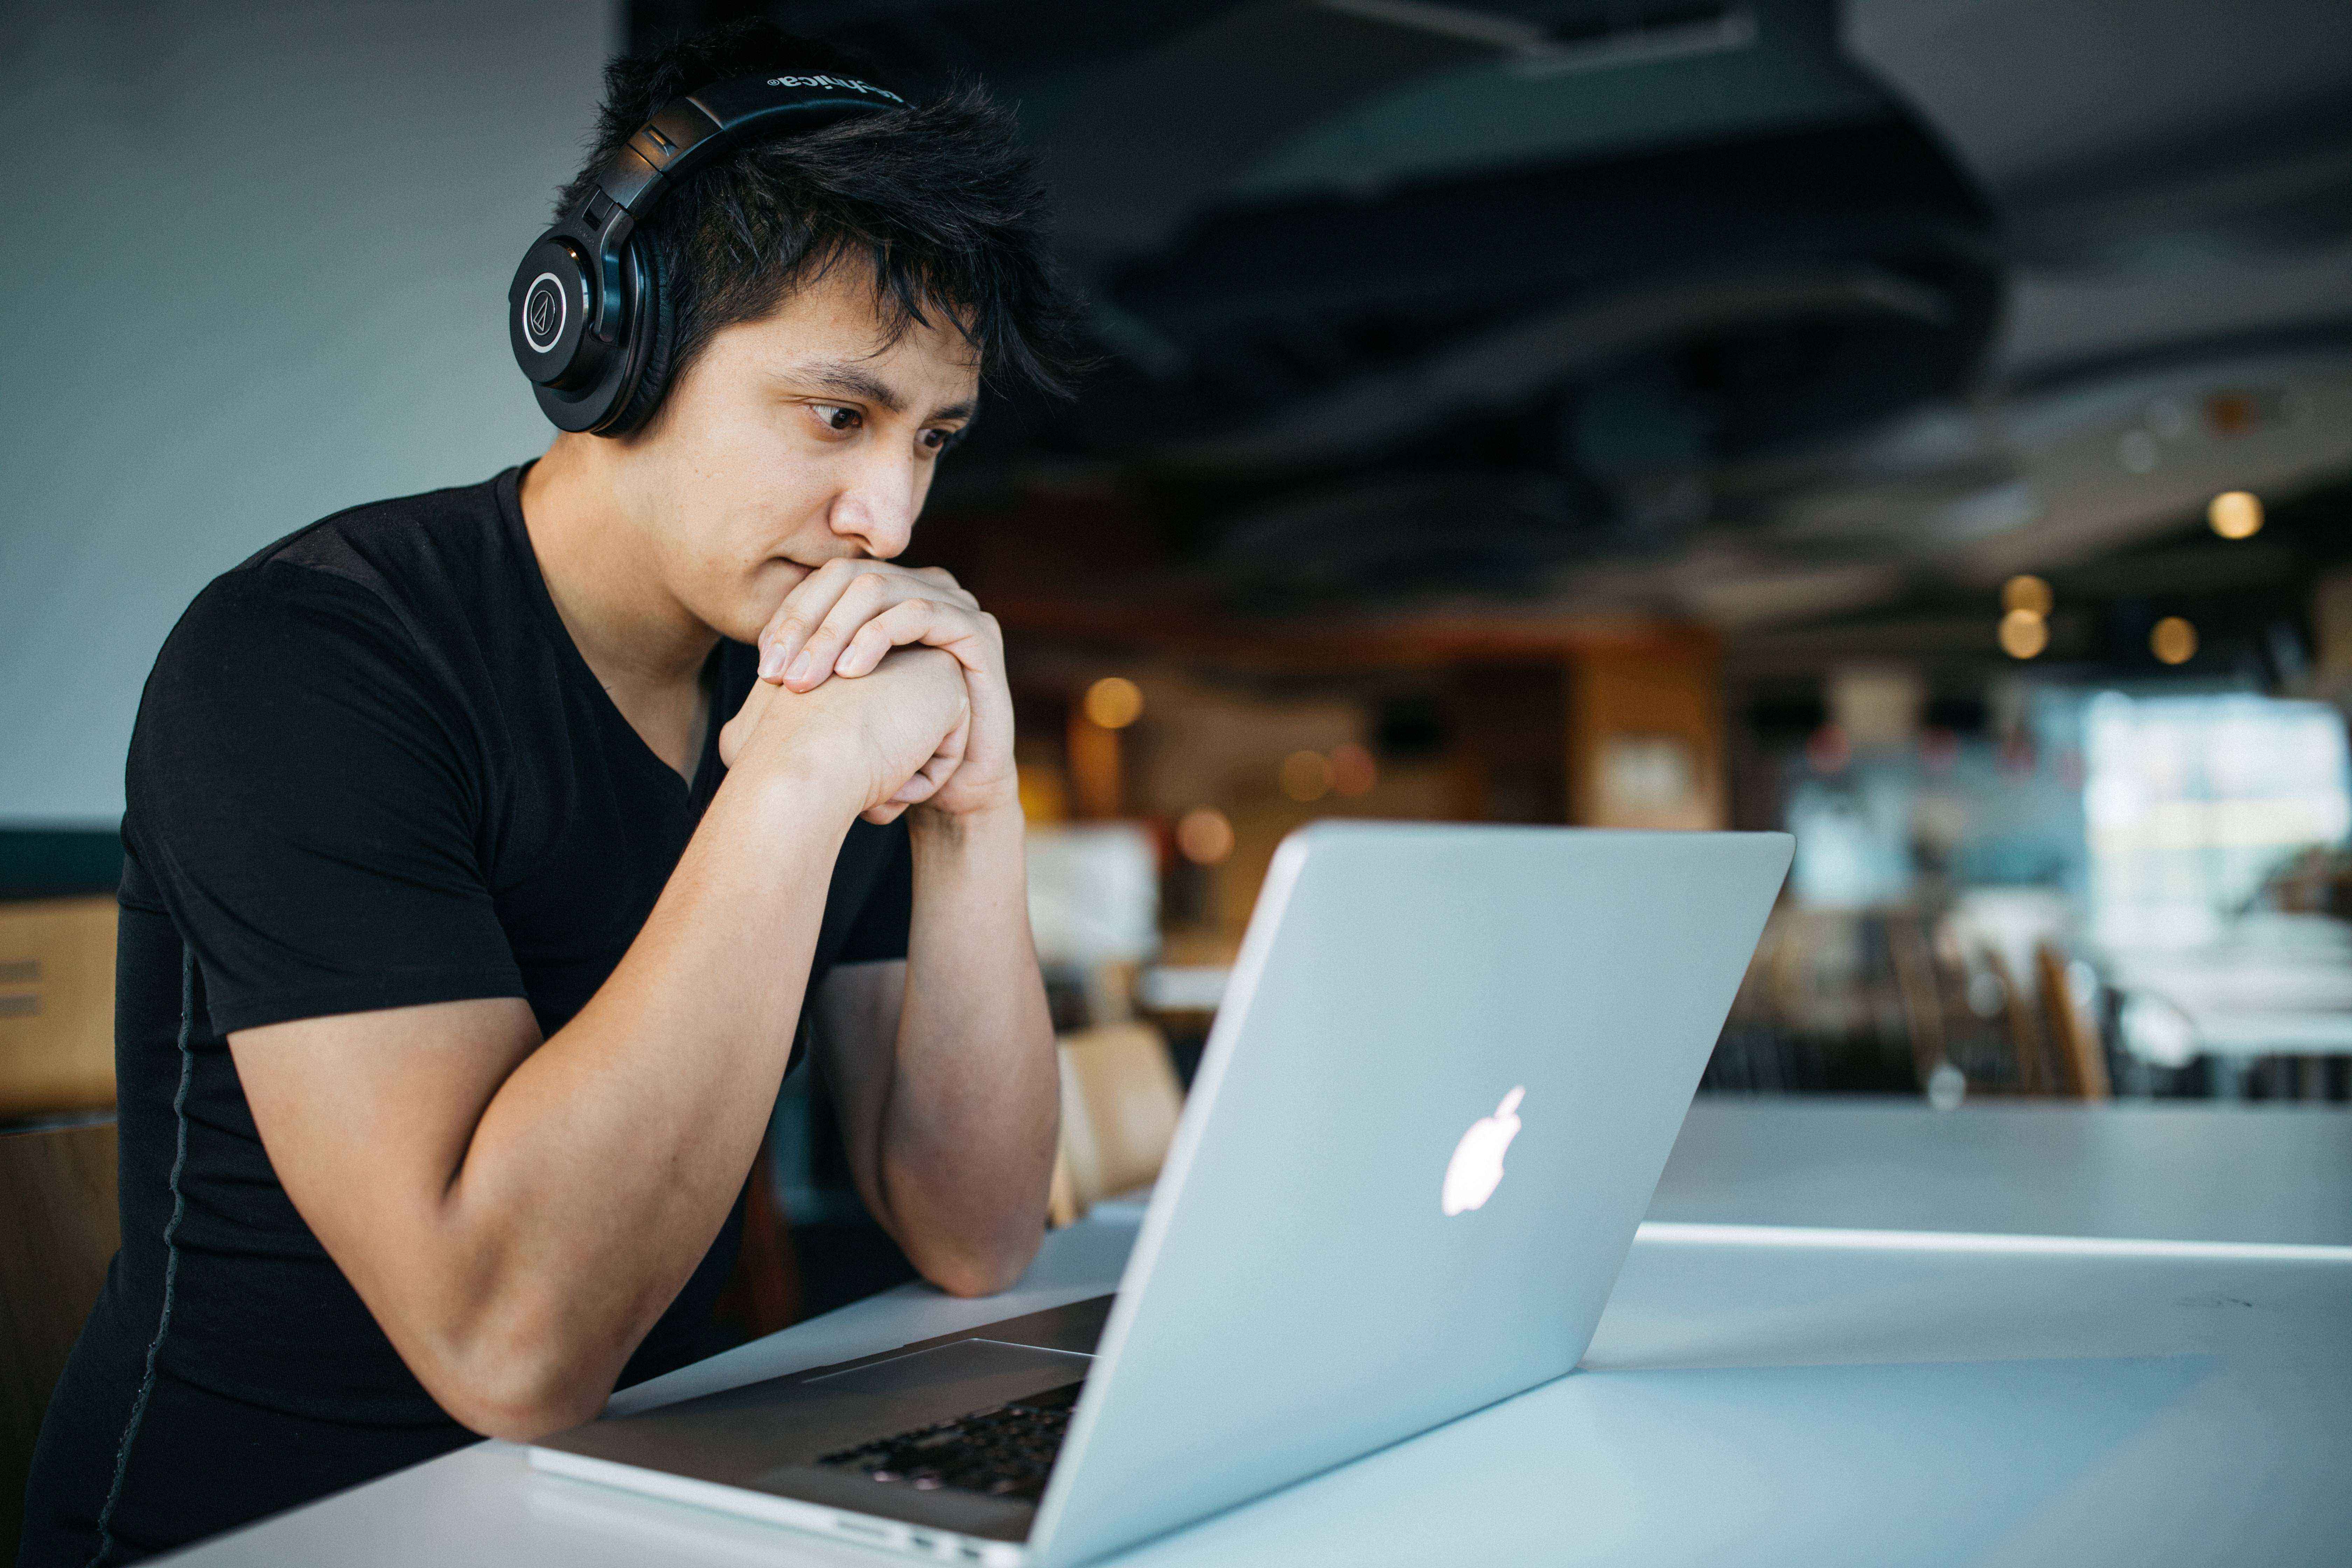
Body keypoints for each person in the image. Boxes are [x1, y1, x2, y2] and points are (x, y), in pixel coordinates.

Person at [22, 22, 1086, 1564]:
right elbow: (508, 1350)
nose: (890, 512)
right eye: (839, 416)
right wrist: (790, 785)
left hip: (634, 1503)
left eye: (934, 439)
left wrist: (974, 811)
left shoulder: (795, 659)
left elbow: (976, 1234)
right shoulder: (308, 661)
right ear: (612, 341)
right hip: (275, 1526)